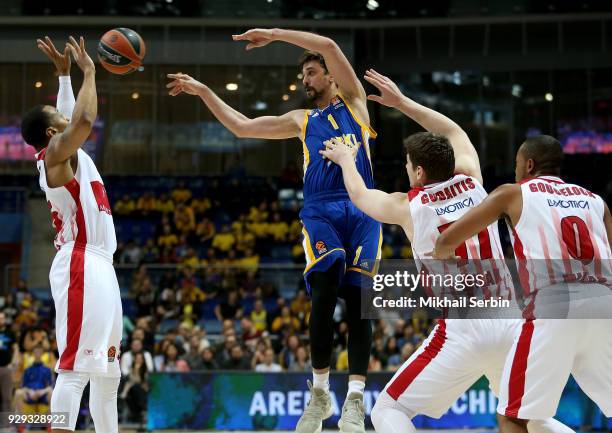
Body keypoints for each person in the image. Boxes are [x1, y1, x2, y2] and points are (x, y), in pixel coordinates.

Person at [321, 70, 575, 433]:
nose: (407, 173)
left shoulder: (409, 207)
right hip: (511, 321)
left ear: (419, 172)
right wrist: (403, 103)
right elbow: (455, 131)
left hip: (463, 328)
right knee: (532, 419)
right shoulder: (473, 180)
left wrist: (346, 160)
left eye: (409, 167)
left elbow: (360, 196)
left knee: (388, 411)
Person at [168, 28, 380, 433]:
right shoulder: (301, 120)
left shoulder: (355, 104)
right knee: (324, 287)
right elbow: (243, 127)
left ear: (332, 77)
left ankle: (354, 400)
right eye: (304, 75)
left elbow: (330, 46)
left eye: (313, 72)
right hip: (321, 212)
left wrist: (275, 35)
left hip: (364, 207)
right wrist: (204, 92)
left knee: (358, 302)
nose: (307, 80)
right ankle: (320, 393)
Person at [432, 135, 612, 433]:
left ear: (529, 164)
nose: (515, 171)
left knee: (512, 416)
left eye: (516, 165)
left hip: (555, 304)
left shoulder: (513, 193)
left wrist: (442, 253)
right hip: (604, 305)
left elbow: (447, 239)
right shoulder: (596, 202)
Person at [20, 36, 122, 433]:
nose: (68, 120)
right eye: (58, 123)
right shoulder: (56, 157)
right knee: (76, 369)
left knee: (108, 373)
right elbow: (79, 120)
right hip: (81, 261)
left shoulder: (63, 152)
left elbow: (67, 116)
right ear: (51, 135)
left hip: (101, 264)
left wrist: (65, 77)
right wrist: (90, 72)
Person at [14, 345, 53, 416]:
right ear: (33, 353)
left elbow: (50, 386)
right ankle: (20, 424)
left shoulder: (47, 370)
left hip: (42, 394)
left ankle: (49, 424)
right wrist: (29, 391)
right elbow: (24, 386)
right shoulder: (28, 370)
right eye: (36, 351)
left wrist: (42, 391)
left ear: (42, 353)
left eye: (39, 351)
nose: (37, 353)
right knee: (18, 392)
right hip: (29, 394)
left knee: (52, 393)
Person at [0, 311, 19, 413]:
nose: (0, 320)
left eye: (2, 318)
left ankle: (6, 424)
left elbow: (16, 349)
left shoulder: (10, 333)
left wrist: (13, 363)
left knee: (7, 397)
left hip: (5, 368)